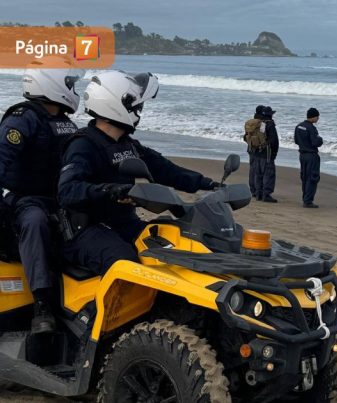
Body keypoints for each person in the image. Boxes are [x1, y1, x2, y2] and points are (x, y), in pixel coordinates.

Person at [58, 71, 219, 276]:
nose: (139, 111)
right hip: (86, 229)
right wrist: (111, 190)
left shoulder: (126, 144)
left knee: (173, 244)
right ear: (115, 104)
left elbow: (164, 169)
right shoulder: (83, 145)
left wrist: (207, 183)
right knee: (125, 263)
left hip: (122, 223)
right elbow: (68, 191)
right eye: (137, 107)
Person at [0, 64, 80, 334]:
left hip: (59, 197)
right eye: (69, 83)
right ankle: (42, 304)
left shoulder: (65, 123)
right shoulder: (22, 119)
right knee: (35, 222)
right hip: (25, 200)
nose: (72, 89)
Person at [246, 105, 279, 202]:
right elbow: (273, 141)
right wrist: (273, 153)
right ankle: (266, 195)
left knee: (257, 173)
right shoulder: (269, 124)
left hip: (255, 153)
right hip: (267, 154)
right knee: (268, 174)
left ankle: (258, 193)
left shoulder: (256, 123)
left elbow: (246, 137)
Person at [294, 108, 323, 208]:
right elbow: (316, 142)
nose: (318, 118)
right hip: (311, 155)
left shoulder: (299, 126)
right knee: (312, 178)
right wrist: (320, 139)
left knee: (305, 177)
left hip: (302, 155)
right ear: (313, 117)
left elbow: (296, 141)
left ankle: (305, 198)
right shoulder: (311, 128)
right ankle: (308, 201)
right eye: (317, 117)